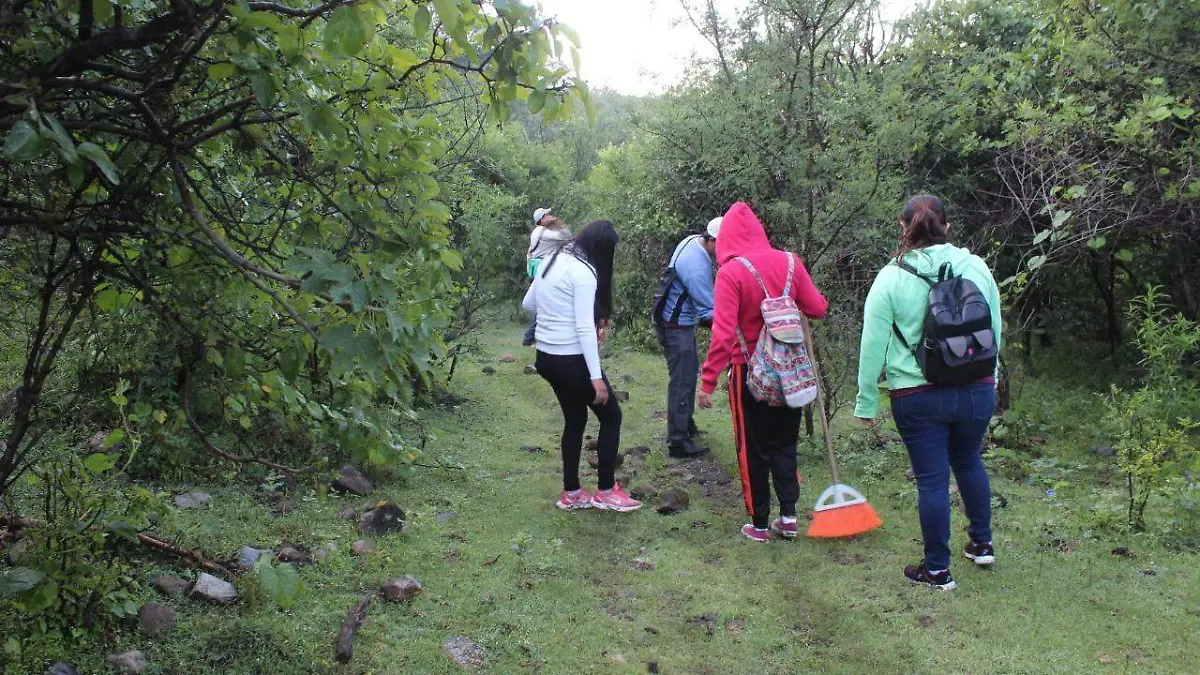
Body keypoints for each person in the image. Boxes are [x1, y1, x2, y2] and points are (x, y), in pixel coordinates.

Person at [854, 194, 1002, 591]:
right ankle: (982, 543)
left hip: (916, 395)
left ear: (904, 228)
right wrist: (994, 381)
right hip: (976, 388)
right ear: (947, 226)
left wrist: (866, 401)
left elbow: (873, 343)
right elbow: (996, 330)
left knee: (932, 480)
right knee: (969, 461)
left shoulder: (890, 276)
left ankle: (937, 570)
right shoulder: (977, 267)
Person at [698, 202, 828, 542]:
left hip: (748, 374)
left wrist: (708, 381)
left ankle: (758, 524)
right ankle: (788, 518)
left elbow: (723, 334)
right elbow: (818, 308)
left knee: (752, 448)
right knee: (785, 443)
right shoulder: (790, 262)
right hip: (789, 373)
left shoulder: (731, 273)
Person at [523, 220, 641, 512]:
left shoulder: (552, 260)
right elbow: (584, 329)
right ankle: (605, 491)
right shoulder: (584, 271)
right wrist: (596, 376)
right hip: (571, 359)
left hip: (546, 358)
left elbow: (529, 303)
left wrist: (554, 315)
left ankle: (572, 492)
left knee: (575, 420)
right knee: (611, 417)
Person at [660, 217, 722, 458]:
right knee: (683, 381)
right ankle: (678, 441)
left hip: (675, 320)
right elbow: (709, 312)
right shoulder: (697, 267)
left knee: (685, 375)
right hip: (677, 325)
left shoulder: (692, 241)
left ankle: (684, 424)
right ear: (712, 240)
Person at [523, 208, 572, 347]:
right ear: (542, 219)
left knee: (541, 303)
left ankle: (531, 336)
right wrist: (557, 222)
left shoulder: (537, 232)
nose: (550, 216)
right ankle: (530, 336)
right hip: (545, 271)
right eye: (547, 215)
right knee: (544, 304)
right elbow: (566, 236)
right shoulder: (544, 233)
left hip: (539, 269)